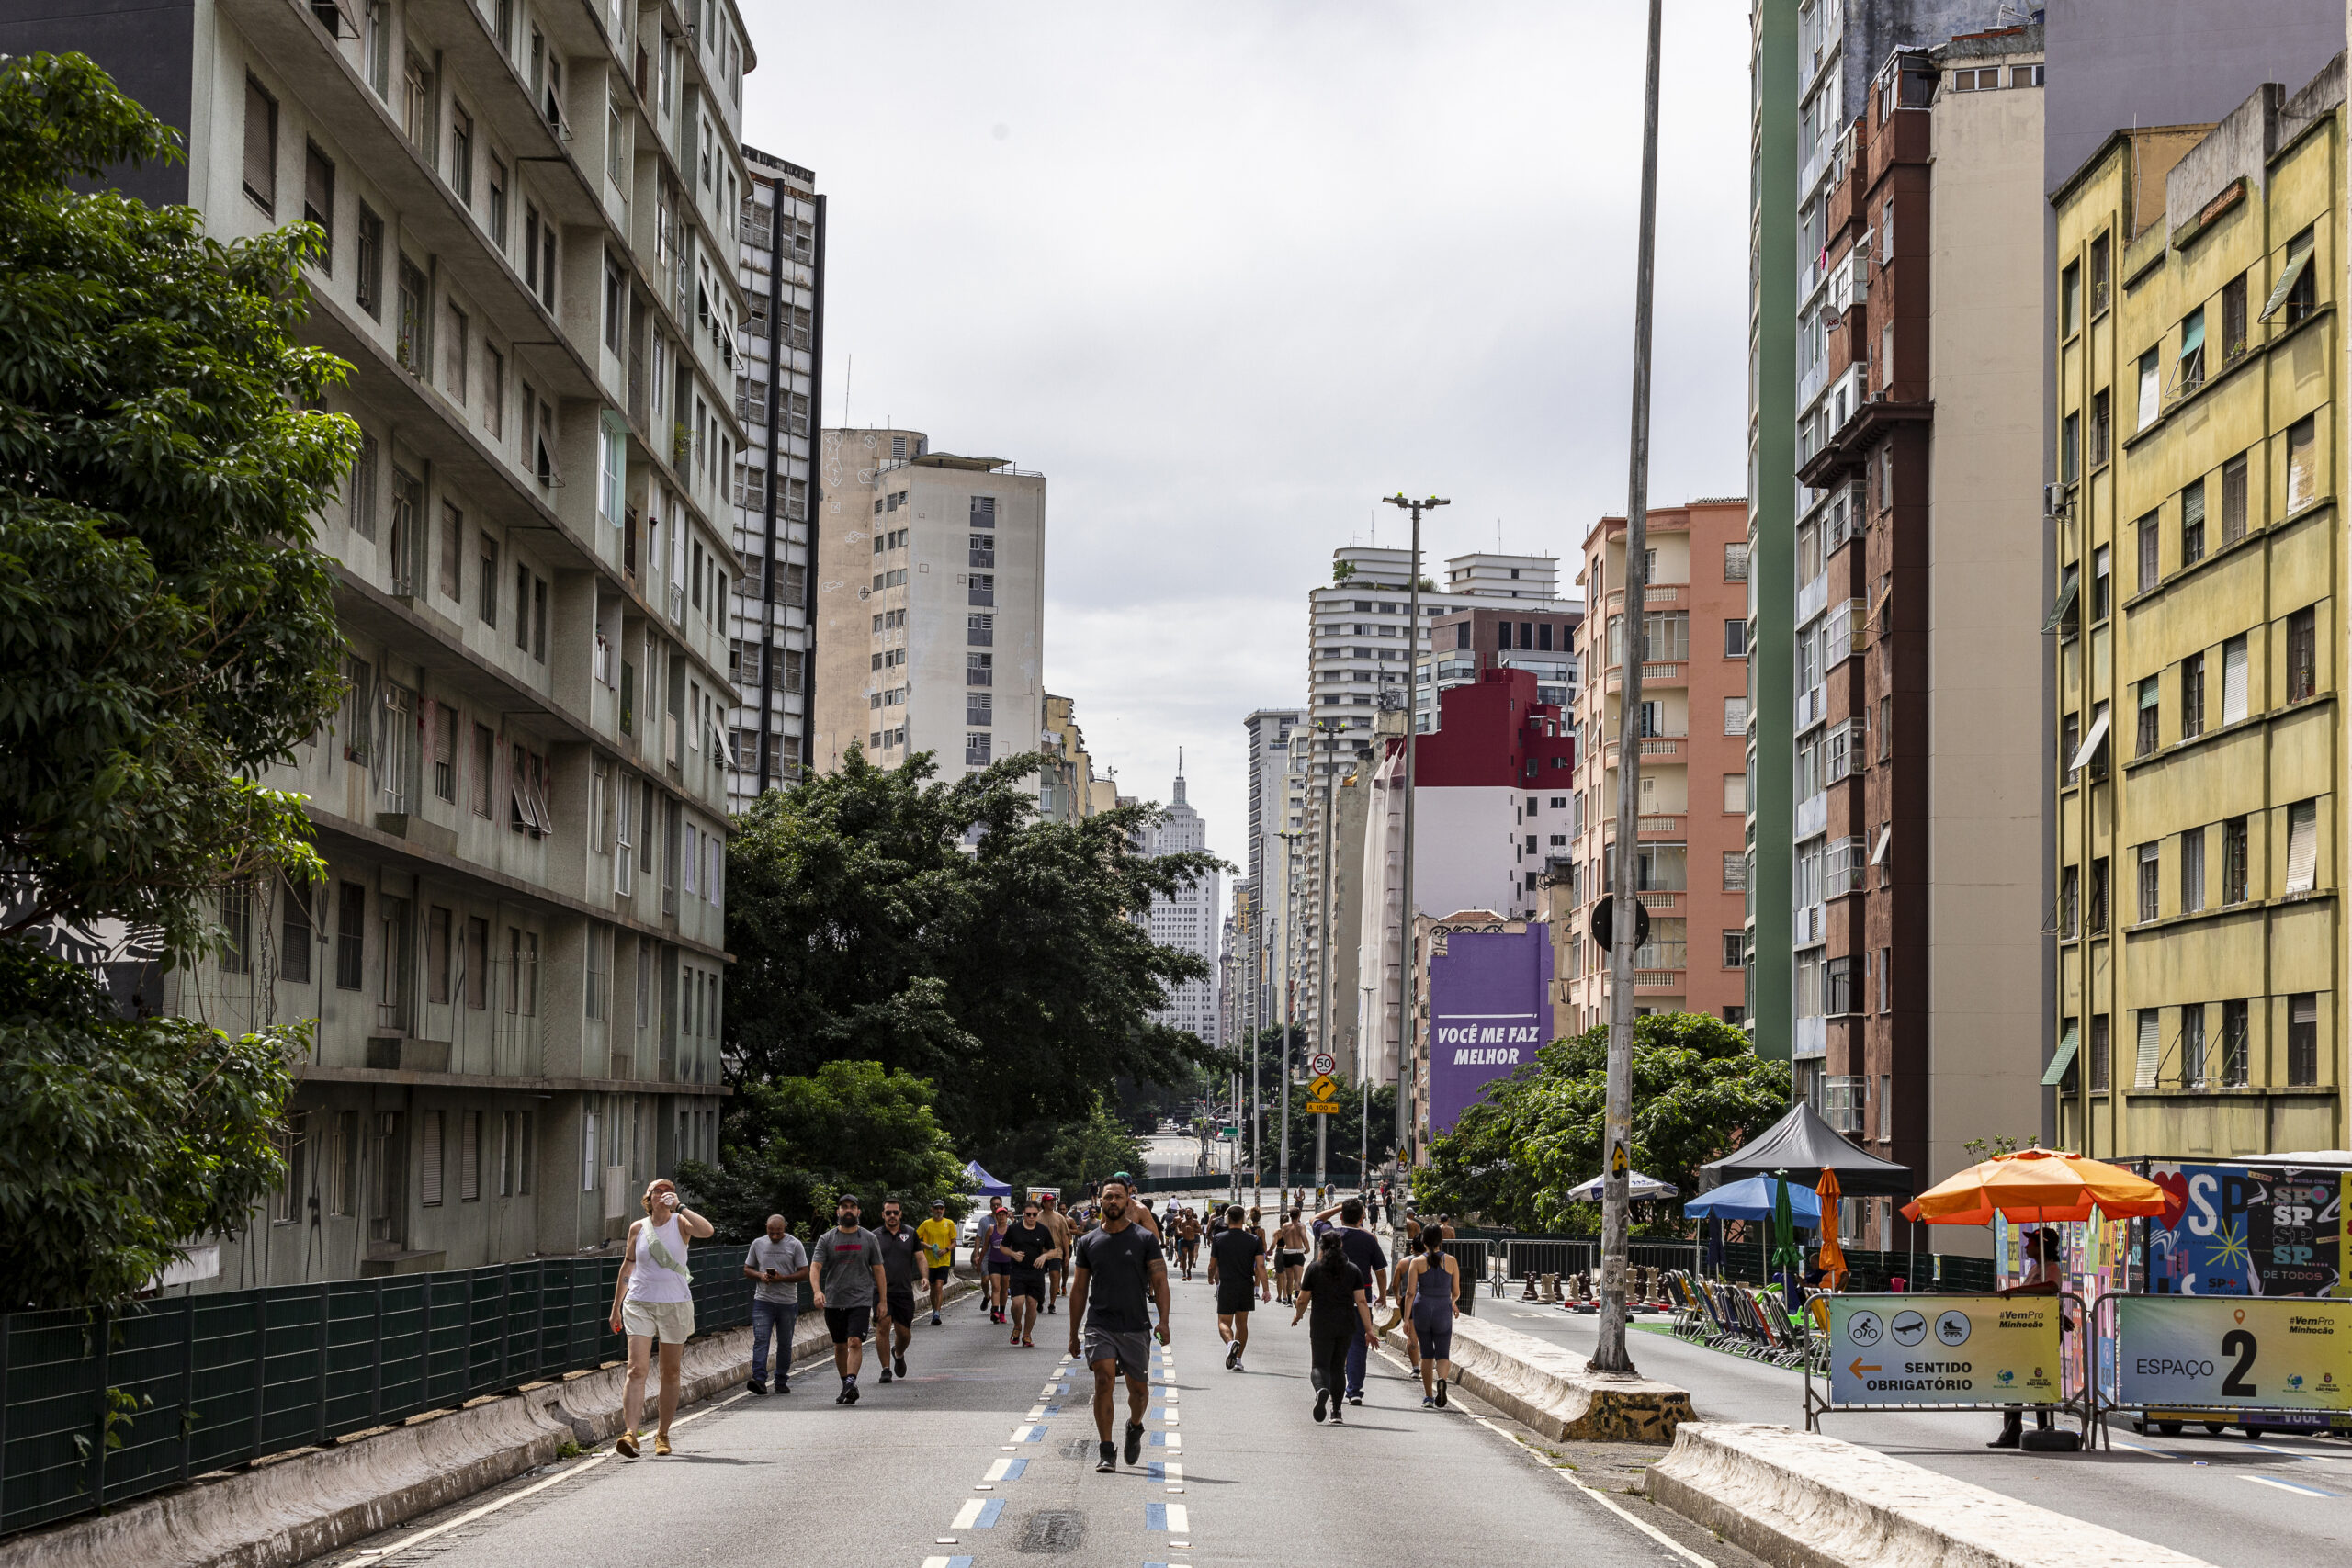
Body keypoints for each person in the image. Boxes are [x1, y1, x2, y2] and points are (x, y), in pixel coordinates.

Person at [1067, 1175, 1172, 1473]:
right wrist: (1074, 1332)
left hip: (1136, 1324)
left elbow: (1160, 1281)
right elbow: (1078, 1289)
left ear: (1128, 1200)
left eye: (1118, 1197)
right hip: (1100, 1323)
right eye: (1108, 1197)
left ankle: (1135, 1426)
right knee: (1103, 1380)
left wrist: (1163, 1321)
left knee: (1139, 1392)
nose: (1113, 1202)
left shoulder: (1144, 1239)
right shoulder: (1088, 1242)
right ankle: (1106, 1450)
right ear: (1100, 1200)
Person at [606, 1179, 715, 1456]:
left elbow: (707, 1231)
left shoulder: (681, 1222)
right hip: (639, 1302)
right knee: (636, 1368)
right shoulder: (637, 1228)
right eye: (658, 1190)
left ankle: (663, 1434)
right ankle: (630, 1434)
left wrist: (680, 1206)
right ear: (648, 1198)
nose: (663, 1194)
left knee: (670, 1371)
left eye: (668, 1190)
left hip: (674, 1303)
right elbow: (628, 1265)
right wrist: (616, 1306)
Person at [810, 1193, 889, 1404]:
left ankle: (851, 1382)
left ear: (858, 1212)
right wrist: (817, 1291)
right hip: (834, 1300)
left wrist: (882, 1300)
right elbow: (815, 1267)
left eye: (851, 1207)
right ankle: (847, 1384)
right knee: (839, 1346)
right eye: (844, 1207)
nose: (848, 1210)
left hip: (860, 1300)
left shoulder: (868, 1238)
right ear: (838, 1211)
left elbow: (879, 1270)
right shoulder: (827, 1239)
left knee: (854, 1341)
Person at [1292, 1232, 1375, 1425]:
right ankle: (1337, 1411)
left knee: (1319, 1365)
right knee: (1338, 1368)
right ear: (1341, 1246)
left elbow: (1303, 1299)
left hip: (1321, 1323)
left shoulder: (1314, 1269)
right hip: (1346, 1324)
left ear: (1321, 1247)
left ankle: (1321, 1389)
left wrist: (1298, 1314)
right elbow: (1362, 1301)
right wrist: (1369, 1329)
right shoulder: (1353, 1270)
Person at [1991, 1228, 2062, 1449]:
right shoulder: (2035, 1268)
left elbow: (2051, 1288)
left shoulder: (2051, 1268)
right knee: (2016, 1379)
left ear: (2042, 1246)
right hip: (2028, 1330)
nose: (2025, 1246)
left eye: (2030, 1242)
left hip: (2039, 1333)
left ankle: (2044, 1429)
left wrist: (2018, 1290)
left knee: (2038, 1379)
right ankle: (2012, 1430)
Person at [1316, 1197, 1389, 1404]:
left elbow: (1315, 1218)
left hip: (1330, 1298)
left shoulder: (1330, 1235)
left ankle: (1327, 1385)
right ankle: (1354, 1390)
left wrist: (1340, 1207)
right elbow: (1380, 1272)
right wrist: (1382, 1295)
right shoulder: (1369, 1239)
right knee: (1358, 1345)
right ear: (1362, 1217)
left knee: (1330, 1343)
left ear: (1341, 1216)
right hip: (1360, 1299)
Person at [741, 1213, 808, 1396]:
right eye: (771, 1232)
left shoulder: (795, 1244)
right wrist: (760, 1275)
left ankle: (781, 1380)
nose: (775, 1236)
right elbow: (747, 1269)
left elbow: (804, 1272)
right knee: (761, 1339)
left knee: (785, 1343)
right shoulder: (758, 1244)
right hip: (763, 1300)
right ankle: (759, 1379)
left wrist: (783, 1279)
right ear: (766, 1228)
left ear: (784, 1228)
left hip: (787, 1301)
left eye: (778, 1232)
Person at [872, 1199, 929, 1383]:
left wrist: (924, 1276)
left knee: (904, 1333)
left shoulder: (911, 1233)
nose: (892, 1216)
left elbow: (920, 1258)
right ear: (883, 1215)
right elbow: (866, 1262)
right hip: (881, 1292)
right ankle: (886, 1369)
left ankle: (898, 1352)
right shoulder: (874, 1236)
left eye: (895, 1212)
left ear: (900, 1214)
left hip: (904, 1291)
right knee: (883, 1328)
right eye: (888, 1213)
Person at [1403, 1223, 1460, 1408]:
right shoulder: (1451, 1261)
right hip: (1443, 1308)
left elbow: (1410, 1293)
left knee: (1427, 1355)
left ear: (1423, 1240)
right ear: (1441, 1241)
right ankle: (1442, 1380)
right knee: (1443, 1353)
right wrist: (1452, 1303)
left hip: (1422, 1309)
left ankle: (1428, 1397)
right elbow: (1456, 1291)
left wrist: (1406, 1319)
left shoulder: (1416, 1262)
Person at [1207, 1201, 1269, 1371]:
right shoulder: (1254, 1239)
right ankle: (1239, 1360)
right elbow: (1261, 1267)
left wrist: (1211, 1278)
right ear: (1244, 1219)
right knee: (1242, 1323)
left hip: (1227, 1284)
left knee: (1223, 1322)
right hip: (1246, 1285)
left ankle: (1230, 1343)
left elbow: (1212, 1265)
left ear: (1227, 1219)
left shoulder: (1219, 1239)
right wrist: (1266, 1289)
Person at [1001, 1198, 1056, 1348]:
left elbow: (1054, 1250)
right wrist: (1013, 1254)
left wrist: (1044, 1256)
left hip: (1036, 1273)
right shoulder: (1014, 1229)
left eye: (1034, 1214)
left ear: (1038, 1214)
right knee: (1018, 1303)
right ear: (1023, 1214)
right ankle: (1017, 1326)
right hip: (1018, 1271)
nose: (1031, 1217)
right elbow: (1003, 1247)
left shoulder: (1042, 1230)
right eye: (1028, 1214)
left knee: (1032, 1304)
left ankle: (1027, 1335)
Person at [917, 1199, 958, 1325]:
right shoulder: (926, 1223)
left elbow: (954, 1243)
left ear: (944, 1210)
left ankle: (937, 1313)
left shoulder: (949, 1223)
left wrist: (946, 1250)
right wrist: (927, 1246)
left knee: (939, 1285)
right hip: (929, 1262)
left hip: (944, 1261)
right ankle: (934, 1309)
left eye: (941, 1208)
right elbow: (916, 1239)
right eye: (936, 1208)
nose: (939, 1210)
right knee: (933, 1288)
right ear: (932, 1209)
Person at [1038, 1192, 1075, 1314]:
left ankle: (1052, 1303)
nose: (1052, 1203)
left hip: (1056, 1251)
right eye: (1049, 1201)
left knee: (1055, 1276)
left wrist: (1067, 1254)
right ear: (1043, 1203)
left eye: (1053, 1200)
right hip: (1041, 1252)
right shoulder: (1037, 1217)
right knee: (1039, 1278)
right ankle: (1040, 1299)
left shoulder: (1060, 1218)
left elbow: (1065, 1236)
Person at [983, 1201, 1014, 1324]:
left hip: (1007, 1262)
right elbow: (985, 1246)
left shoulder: (1011, 1230)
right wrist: (979, 1260)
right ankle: (994, 1311)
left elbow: (1016, 1246)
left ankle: (1002, 1313)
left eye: (1003, 1215)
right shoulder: (991, 1229)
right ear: (996, 1216)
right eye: (999, 1215)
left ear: (1007, 1217)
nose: (1001, 1217)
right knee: (996, 1287)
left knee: (1004, 1289)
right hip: (994, 1261)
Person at [1272, 1209, 1310, 1305]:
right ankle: (1297, 1296)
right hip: (1297, 1253)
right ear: (1299, 1215)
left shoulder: (1284, 1226)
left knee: (1289, 1279)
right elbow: (1304, 1238)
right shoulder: (1301, 1226)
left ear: (1290, 1215)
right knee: (1297, 1279)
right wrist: (1307, 1249)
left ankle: (1289, 1300)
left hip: (1287, 1252)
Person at [1175, 1206, 1203, 1281]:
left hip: (1191, 1241)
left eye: (1189, 1213)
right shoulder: (1182, 1221)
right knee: (1184, 1257)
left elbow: (1200, 1230)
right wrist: (1178, 1232)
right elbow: (1178, 1227)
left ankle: (1189, 1270)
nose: (1188, 1214)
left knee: (1190, 1259)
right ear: (1185, 1213)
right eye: (1187, 1212)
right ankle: (1184, 1274)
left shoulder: (1195, 1221)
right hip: (1184, 1240)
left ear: (1192, 1213)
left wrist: (1193, 1229)